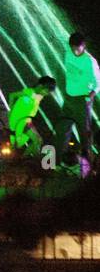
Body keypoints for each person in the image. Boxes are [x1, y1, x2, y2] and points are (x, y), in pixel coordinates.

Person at [59, 32, 100, 173]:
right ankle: (58, 163)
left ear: (84, 46)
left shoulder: (89, 62)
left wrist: (89, 98)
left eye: (78, 48)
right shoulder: (68, 51)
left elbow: (97, 83)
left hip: (83, 100)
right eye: (73, 48)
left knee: (84, 134)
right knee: (62, 130)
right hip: (69, 99)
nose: (75, 51)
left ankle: (89, 168)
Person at [6, 76, 56, 156]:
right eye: (47, 91)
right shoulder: (28, 92)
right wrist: (11, 110)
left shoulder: (39, 97)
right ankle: (32, 161)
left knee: (37, 141)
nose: (47, 94)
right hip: (20, 120)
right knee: (36, 140)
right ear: (40, 86)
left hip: (26, 121)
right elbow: (12, 95)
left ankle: (24, 160)